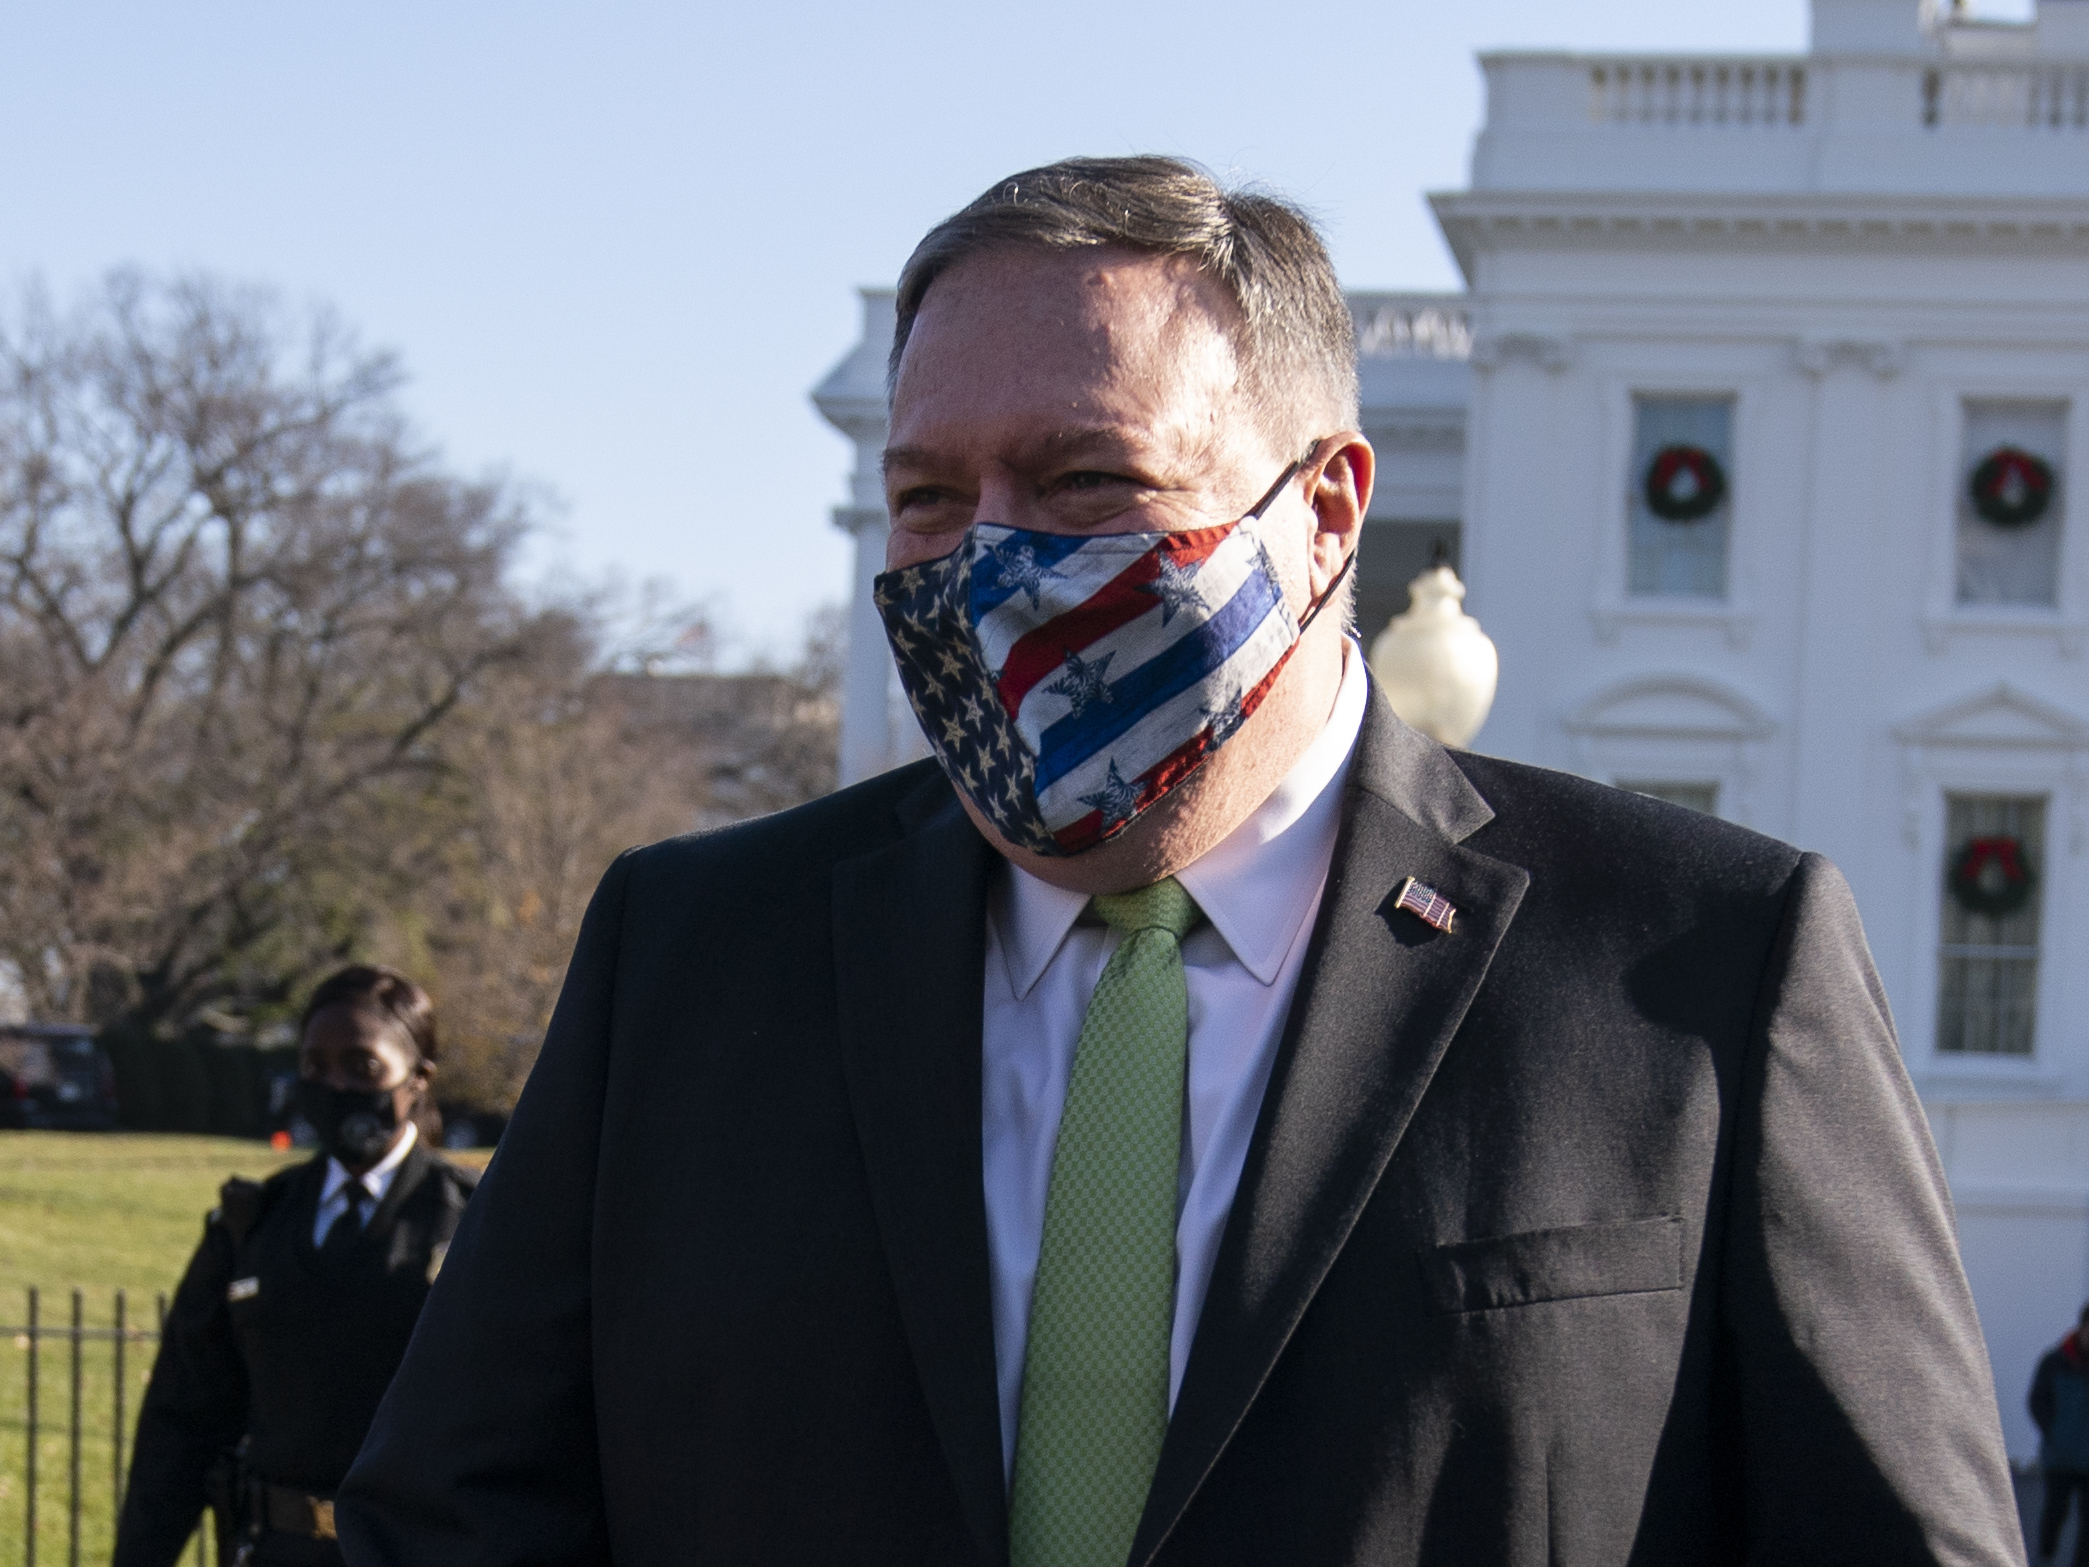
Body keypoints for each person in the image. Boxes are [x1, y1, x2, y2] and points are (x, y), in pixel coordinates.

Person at [337, 157, 2022, 1565]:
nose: (988, 564)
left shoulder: (1705, 968)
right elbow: (460, 1515)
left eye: (1084, 482)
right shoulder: (692, 955)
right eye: (925, 497)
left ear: (1328, 514)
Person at [114, 966, 477, 1567]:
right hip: (272, 1551)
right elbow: (182, 1423)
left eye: (361, 1067)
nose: (333, 1085)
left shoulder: (472, 1227)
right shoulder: (252, 1224)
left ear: (418, 1079)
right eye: (315, 1066)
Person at [2033, 1307, 2089, 1564]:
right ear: (2082, 1327)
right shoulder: (2054, 1362)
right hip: (2060, 1460)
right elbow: (2037, 1401)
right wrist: (2053, 1434)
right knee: (2055, 1513)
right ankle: (2045, 1559)